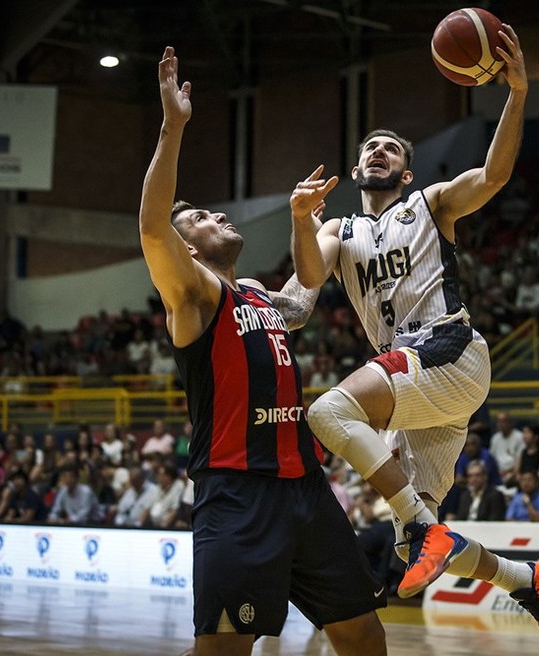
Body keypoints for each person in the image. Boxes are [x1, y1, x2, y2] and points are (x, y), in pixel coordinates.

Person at [287, 26, 539, 654]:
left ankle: (423, 526)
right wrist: (301, 220)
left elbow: (494, 176)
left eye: (391, 148)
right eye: (371, 148)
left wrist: (517, 94)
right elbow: (303, 285)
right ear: (358, 168)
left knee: (329, 410)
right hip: (418, 385)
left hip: (446, 349)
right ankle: (529, 579)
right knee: (415, 544)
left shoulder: (431, 202)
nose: (380, 152)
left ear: (406, 168)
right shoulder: (338, 229)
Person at [139, 47, 386, 656]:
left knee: (364, 636)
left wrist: (307, 223)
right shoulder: (194, 295)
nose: (218, 214)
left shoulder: (256, 294)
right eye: (199, 216)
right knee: (226, 648)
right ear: (187, 249)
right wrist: (174, 127)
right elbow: (150, 228)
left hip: (304, 487)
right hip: (238, 492)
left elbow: (303, 300)